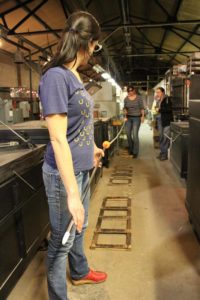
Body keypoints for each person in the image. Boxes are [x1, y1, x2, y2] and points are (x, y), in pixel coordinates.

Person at [39, 11, 107, 300]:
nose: (94, 53)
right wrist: (71, 194)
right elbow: (57, 138)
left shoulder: (74, 74)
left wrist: (90, 148)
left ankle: (79, 273)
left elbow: (80, 122)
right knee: (61, 242)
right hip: (61, 176)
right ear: (87, 43)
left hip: (80, 168)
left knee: (81, 227)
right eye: (95, 47)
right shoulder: (55, 77)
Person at [123, 85, 145, 158]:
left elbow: (142, 108)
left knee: (135, 135)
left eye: (131, 91)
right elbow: (125, 108)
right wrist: (125, 114)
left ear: (134, 91)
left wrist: (142, 116)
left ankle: (135, 152)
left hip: (136, 118)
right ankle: (131, 149)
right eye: (129, 91)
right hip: (128, 118)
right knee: (128, 134)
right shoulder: (126, 99)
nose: (130, 92)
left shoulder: (139, 98)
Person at [154, 87, 173, 161]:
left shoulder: (167, 99)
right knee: (161, 137)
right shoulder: (158, 100)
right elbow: (157, 109)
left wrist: (159, 109)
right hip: (159, 120)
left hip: (166, 121)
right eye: (156, 92)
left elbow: (169, 109)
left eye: (158, 92)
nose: (157, 94)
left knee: (165, 137)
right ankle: (162, 152)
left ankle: (165, 155)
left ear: (163, 92)